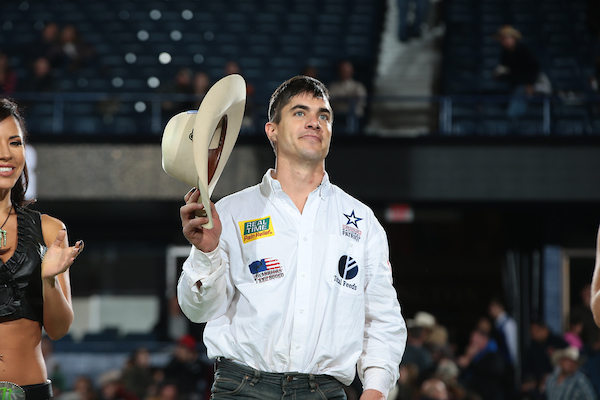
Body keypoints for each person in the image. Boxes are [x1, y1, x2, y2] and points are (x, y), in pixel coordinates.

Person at [177, 75, 407, 399]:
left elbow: (383, 320)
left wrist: (375, 391)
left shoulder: (363, 223)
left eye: (323, 115)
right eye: (300, 113)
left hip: (325, 390)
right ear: (272, 131)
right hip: (242, 388)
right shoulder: (229, 214)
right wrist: (207, 253)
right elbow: (196, 310)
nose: (314, 122)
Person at [0, 98, 84, 399]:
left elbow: (59, 329)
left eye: (15, 142)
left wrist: (48, 279)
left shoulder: (50, 230)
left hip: (32, 390)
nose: (6, 154)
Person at [492, 25, 544, 120]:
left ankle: (513, 120)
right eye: (502, 39)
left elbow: (535, 67)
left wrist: (530, 84)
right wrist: (498, 75)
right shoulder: (505, 53)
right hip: (514, 83)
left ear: (514, 38)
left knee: (519, 98)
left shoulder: (524, 50)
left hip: (529, 83)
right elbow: (505, 69)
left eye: (506, 38)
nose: (504, 41)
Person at [328, 61, 367, 134]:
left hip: (353, 117)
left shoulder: (358, 86)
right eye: (342, 70)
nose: (344, 72)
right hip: (336, 116)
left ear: (351, 71)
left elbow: (361, 102)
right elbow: (330, 101)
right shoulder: (333, 86)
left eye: (346, 70)